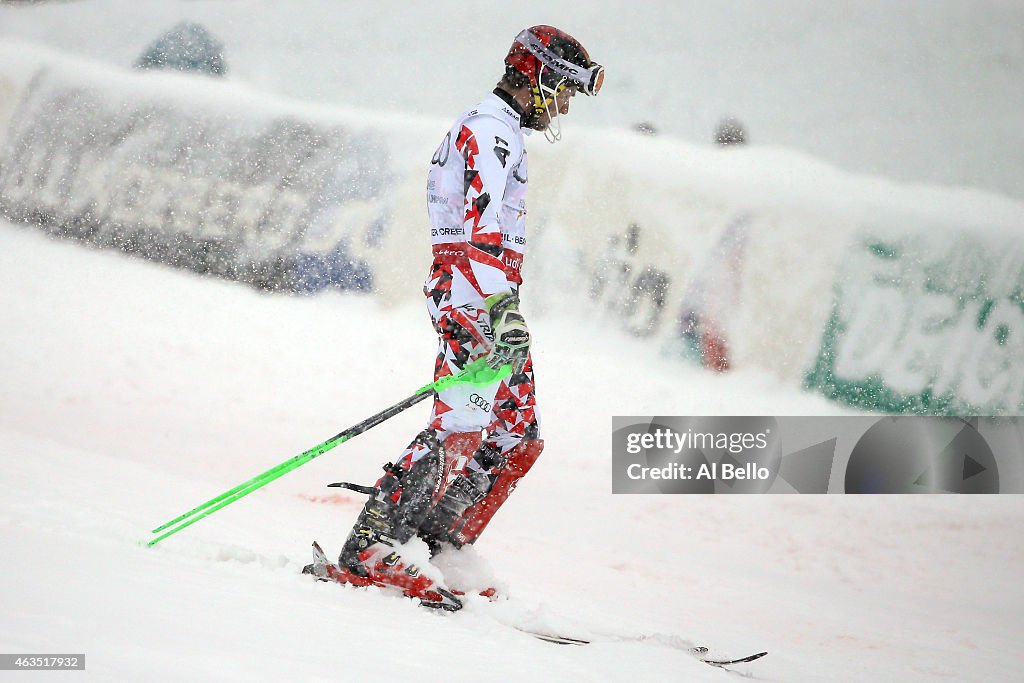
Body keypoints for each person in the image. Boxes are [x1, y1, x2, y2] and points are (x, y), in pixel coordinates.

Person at [309, 26, 604, 611]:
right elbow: (481, 230)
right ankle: (373, 548)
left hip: (490, 297)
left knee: (518, 435)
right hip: (473, 297)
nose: (567, 105)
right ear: (537, 77)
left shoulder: (502, 134)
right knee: (462, 424)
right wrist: (497, 308)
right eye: (565, 90)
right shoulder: (489, 133)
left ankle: (443, 547)